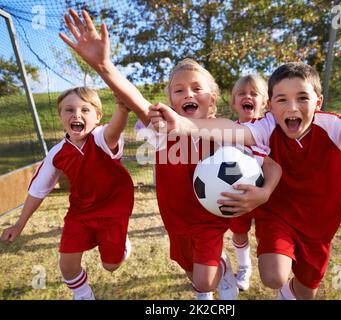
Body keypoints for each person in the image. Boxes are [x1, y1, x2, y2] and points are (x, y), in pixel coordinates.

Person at [58, 9, 282, 300]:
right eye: (179, 90)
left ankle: (219, 274)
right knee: (189, 269)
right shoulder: (162, 130)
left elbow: (271, 165)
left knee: (203, 282)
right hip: (175, 221)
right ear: (171, 99)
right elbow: (135, 98)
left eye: (196, 88)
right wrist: (104, 65)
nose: (187, 94)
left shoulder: (226, 134)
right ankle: (218, 271)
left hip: (209, 222)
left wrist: (263, 194)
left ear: (212, 98)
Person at [148, 62, 341, 299]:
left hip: (319, 228)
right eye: (282, 99)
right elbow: (232, 130)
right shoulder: (266, 126)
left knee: (306, 293)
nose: (291, 107)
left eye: (302, 98)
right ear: (271, 106)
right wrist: (182, 124)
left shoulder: (337, 129)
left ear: (318, 102)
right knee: (273, 276)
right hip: (275, 214)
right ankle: (243, 267)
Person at [0, 87, 134, 300]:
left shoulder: (100, 137)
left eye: (85, 110)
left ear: (97, 117)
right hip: (80, 213)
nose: (76, 115)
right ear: (60, 116)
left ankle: (122, 244)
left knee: (110, 266)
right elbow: (38, 190)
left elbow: (113, 132)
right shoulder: (57, 153)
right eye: (69, 110)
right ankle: (83, 295)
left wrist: (122, 110)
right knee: (67, 265)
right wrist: (19, 224)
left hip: (112, 211)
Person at [228, 74, 268, 291]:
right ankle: (244, 266)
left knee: (267, 236)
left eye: (254, 93)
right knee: (239, 232)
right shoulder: (226, 130)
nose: (247, 96)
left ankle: (271, 267)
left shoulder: (269, 127)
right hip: (239, 193)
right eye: (241, 94)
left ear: (265, 102)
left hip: (267, 195)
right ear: (234, 102)